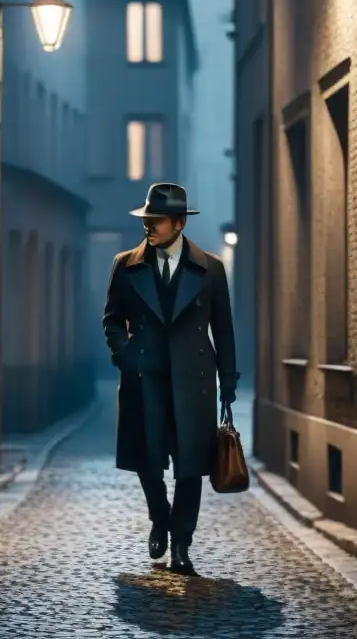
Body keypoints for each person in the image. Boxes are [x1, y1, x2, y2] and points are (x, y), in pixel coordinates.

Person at [102, 182, 239, 575]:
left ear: (178, 223)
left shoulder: (210, 268)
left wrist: (227, 381)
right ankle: (159, 516)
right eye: (146, 219)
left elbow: (223, 329)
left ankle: (181, 543)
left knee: (190, 465)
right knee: (147, 460)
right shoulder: (126, 264)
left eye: (156, 220)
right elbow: (112, 318)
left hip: (192, 379)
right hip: (145, 377)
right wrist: (123, 355)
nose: (148, 226)